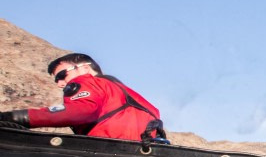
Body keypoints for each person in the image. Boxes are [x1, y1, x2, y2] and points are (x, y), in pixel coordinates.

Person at [0, 53, 167, 143]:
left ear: (85, 68)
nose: (60, 83)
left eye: (63, 75)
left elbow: (80, 111)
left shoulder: (87, 81)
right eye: (56, 80)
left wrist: (16, 118)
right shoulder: (132, 96)